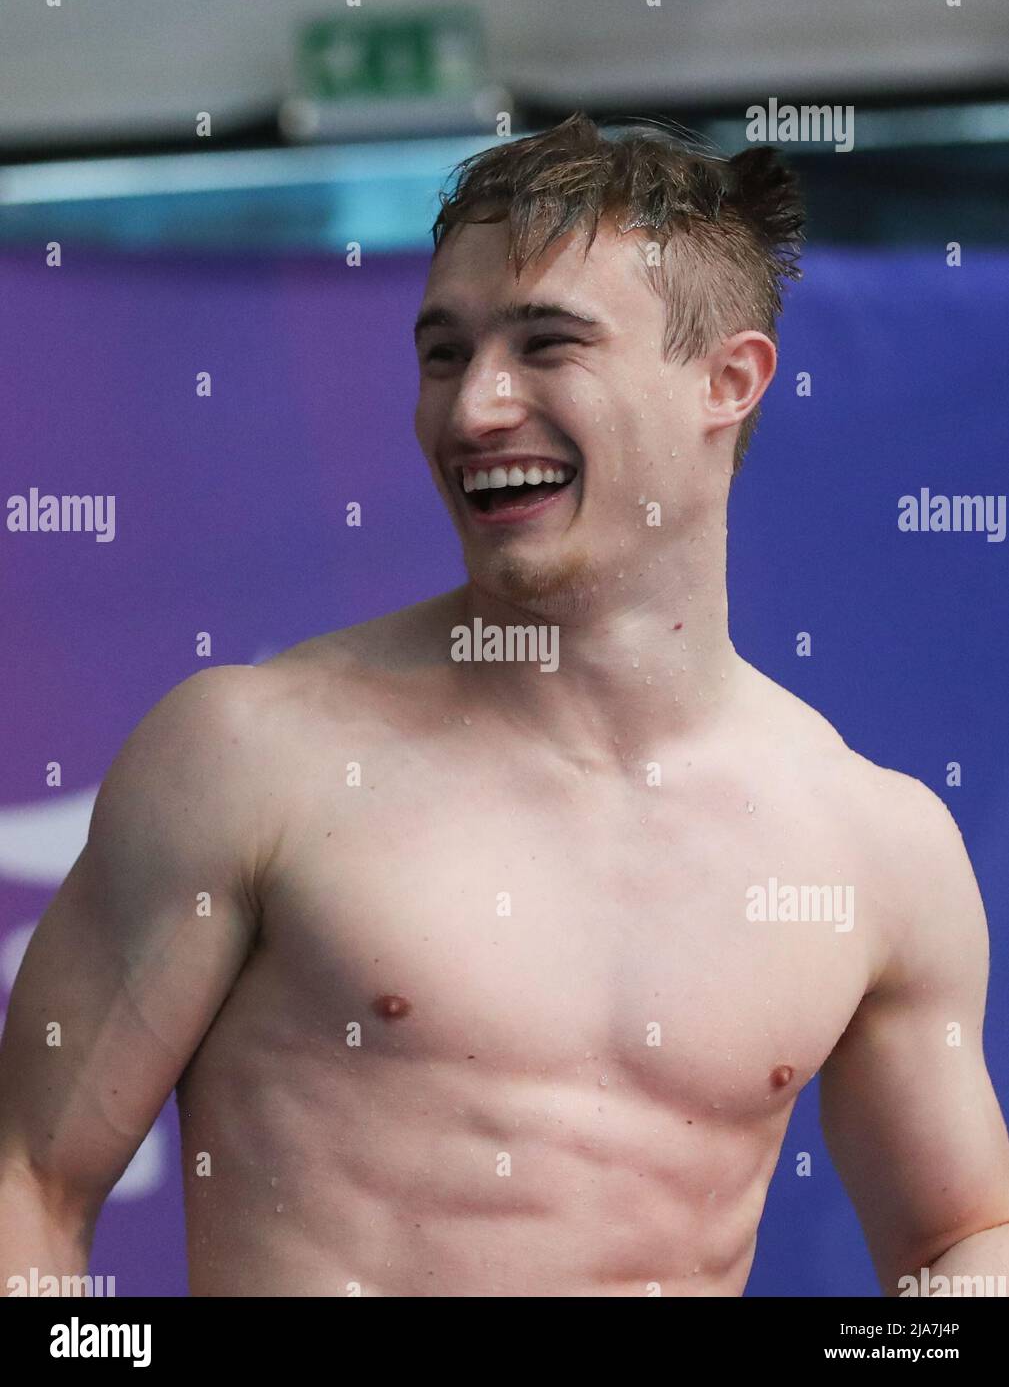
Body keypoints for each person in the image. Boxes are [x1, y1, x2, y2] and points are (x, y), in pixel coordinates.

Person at [2, 112, 1007, 1298]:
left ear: (726, 380)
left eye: (546, 346)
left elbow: (960, 1239)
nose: (473, 410)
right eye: (443, 353)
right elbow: (31, 1185)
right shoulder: (247, 752)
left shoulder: (877, 847)